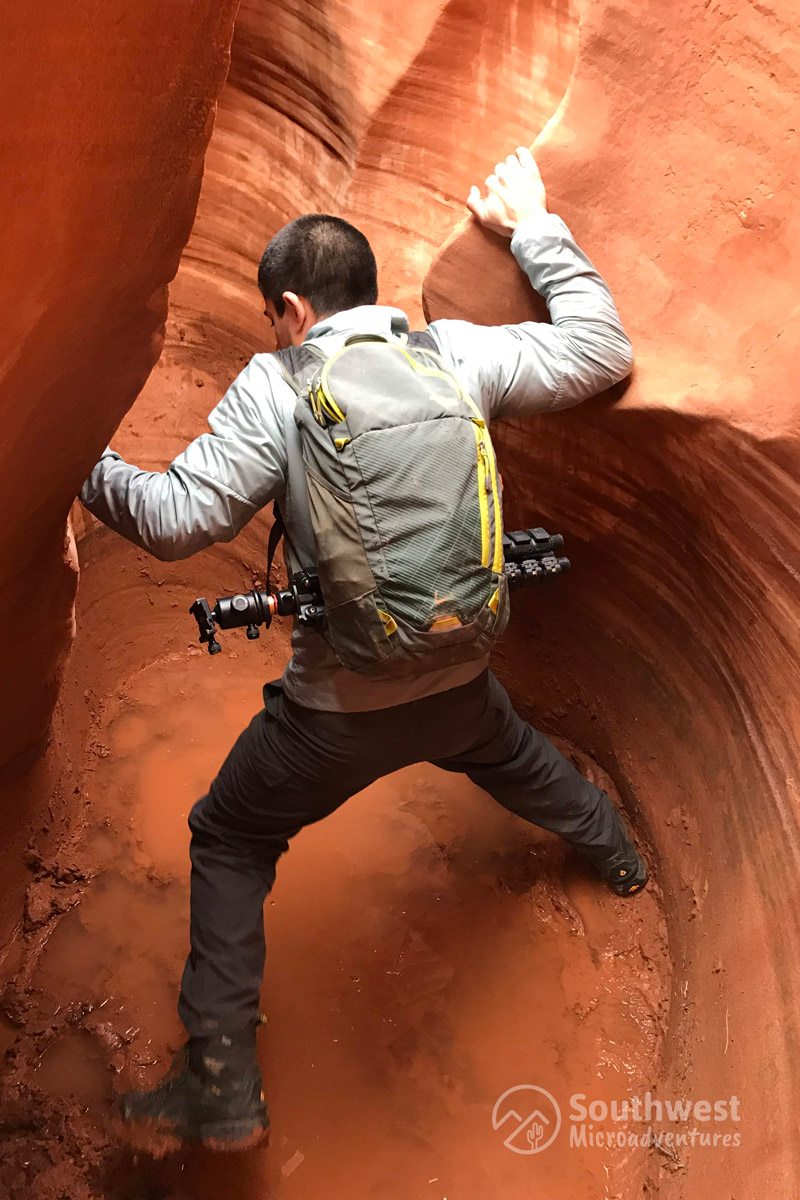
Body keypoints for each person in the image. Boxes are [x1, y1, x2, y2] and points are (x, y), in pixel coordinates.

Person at [80, 147, 646, 1151]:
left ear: (290, 309)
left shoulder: (280, 386)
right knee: (507, 754)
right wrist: (534, 228)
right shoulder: (455, 356)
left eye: (271, 319)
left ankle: (221, 1085)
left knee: (230, 837)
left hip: (334, 713)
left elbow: (174, 522)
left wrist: (88, 465)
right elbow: (602, 354)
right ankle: (615, 856)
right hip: (462, 674)